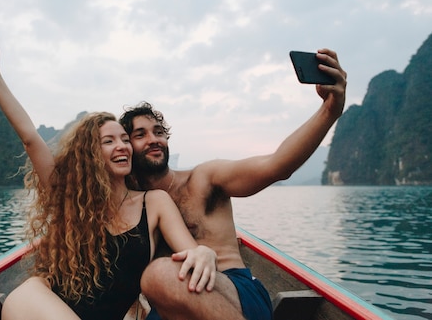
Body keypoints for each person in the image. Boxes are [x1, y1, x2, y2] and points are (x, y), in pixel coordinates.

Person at [0, 28, 218, 320]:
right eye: (109, 141)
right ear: (90, 154)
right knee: (26, 292)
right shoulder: (69, 199)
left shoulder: (153, 203)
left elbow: (190, 253)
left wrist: (204, 252)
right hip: (47, 307)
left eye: (125, 139)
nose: (122, 146)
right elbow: (30, 138)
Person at [119, 49, 347, 320]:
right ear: (127, 146)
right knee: (161, 283)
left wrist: (329, 110)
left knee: (161, 277)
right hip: (173, 301)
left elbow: (276, 166)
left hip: (232, 288)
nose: (154, 139)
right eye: (141, 134)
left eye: (159, 132)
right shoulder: (130, 201)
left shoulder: (204, 178)